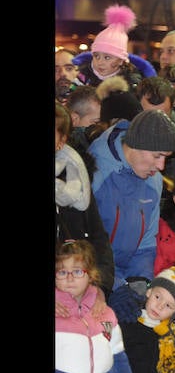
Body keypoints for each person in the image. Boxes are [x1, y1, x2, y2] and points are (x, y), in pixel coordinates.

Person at [56, 240, 137, 373]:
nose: (70, 277)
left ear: (91, 274)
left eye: (77, 271)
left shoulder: (106, 316)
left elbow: (118, 355)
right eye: (62, 272)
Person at [90, 109, 175, 290]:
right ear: (136, 146)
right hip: (93, 279)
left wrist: (140, 282)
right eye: (157, 156)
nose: (161, 166)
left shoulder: (154, 181)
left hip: (125, 278)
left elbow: (146, 242)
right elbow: (83, 246)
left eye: (165, 157)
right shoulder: (97, 173)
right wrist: (115, 286)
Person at [56, 102, 116, 295]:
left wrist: (99, 288)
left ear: (61, 141)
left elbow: (98, 239)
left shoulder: (76, 179)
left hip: (80, 288)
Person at [75, 5, 145, 91]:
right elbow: (70, 96)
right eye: (96, 56)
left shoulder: (131, 80)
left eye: (107, 57)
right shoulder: (84, 74)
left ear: (120, 60)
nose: (100, 62)